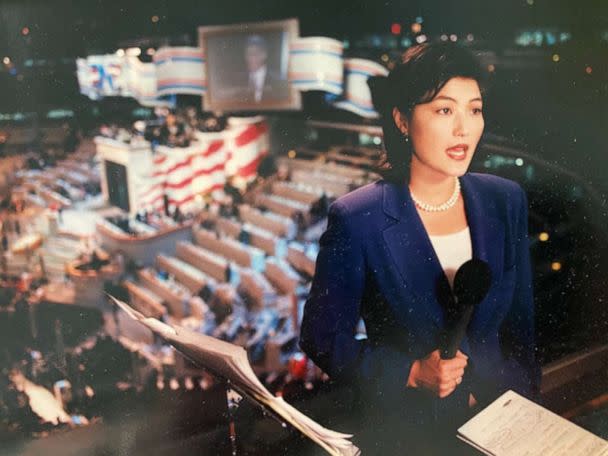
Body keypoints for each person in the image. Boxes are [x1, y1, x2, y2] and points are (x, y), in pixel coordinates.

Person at [299, 42, 541, 454]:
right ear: (403, 120)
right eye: (445, 110)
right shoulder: (358, 218)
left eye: (474, 109)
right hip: (408, 438)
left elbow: (522, 330)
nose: (464, 128)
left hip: (500, 425)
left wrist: (517, 409)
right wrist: (410, 372)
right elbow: (321, 337)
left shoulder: (506, 199)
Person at [239, 35, 289, 103]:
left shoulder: (279, 81)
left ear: (264, 55)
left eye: (255, 54)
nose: (250, 58)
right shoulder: (238, 80)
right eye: (248, 54)